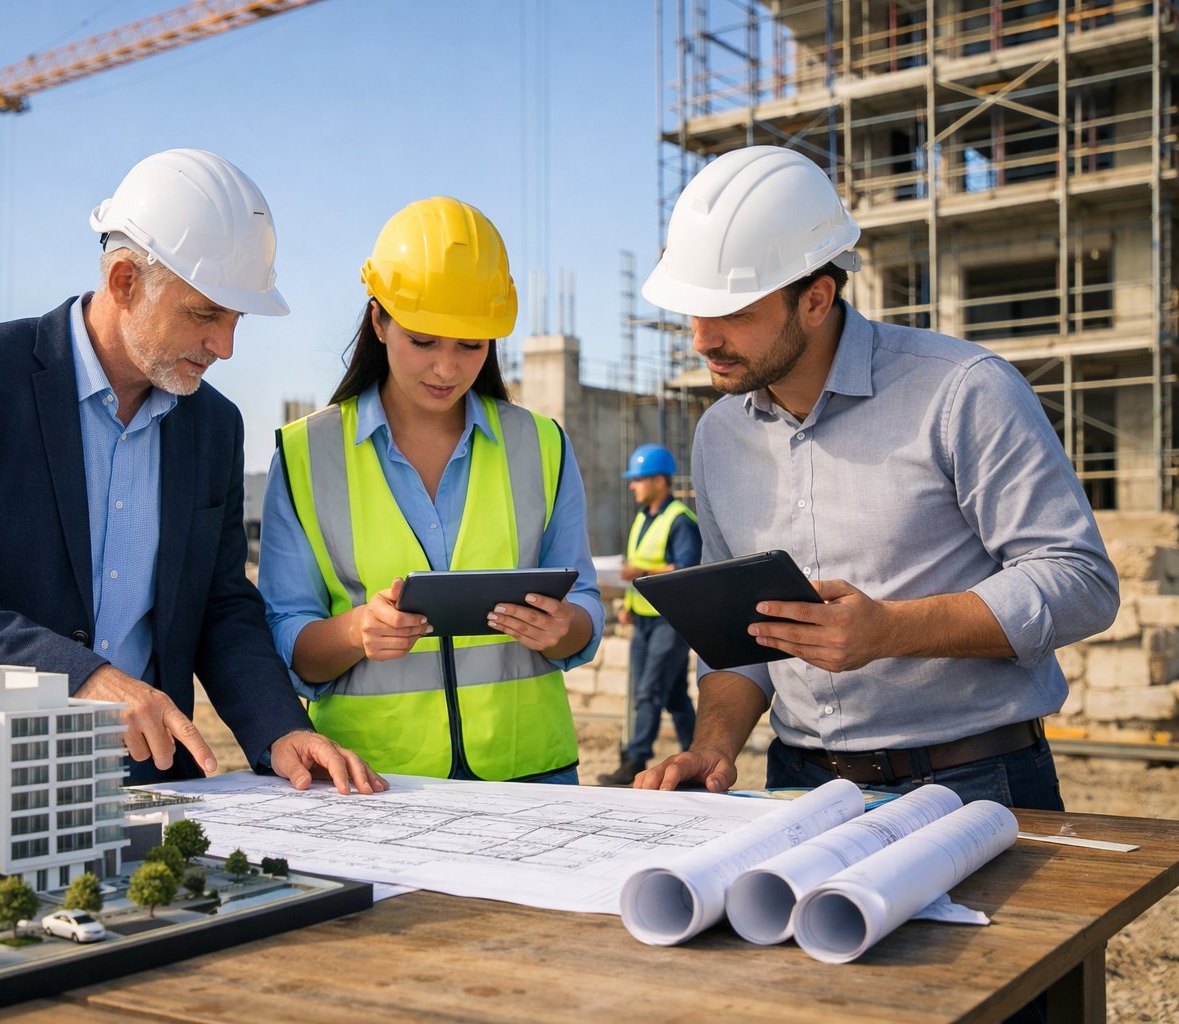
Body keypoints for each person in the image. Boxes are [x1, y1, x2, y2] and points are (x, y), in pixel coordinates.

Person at [0, 149, 383, 795]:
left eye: (235, 318)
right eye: (204, 314)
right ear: (125, 282)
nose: (225, 346)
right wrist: (80, 677)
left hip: (136, 779)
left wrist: (279, 729)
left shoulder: (213, 427)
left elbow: (220, 605)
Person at [633, 146, 1118, 810]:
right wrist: (713, 747)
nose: (702, 339)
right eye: (693, 311)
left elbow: (1080, 582)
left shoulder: (963, 391)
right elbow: (737, 638)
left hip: (976, 784)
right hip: (798, 787)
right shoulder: (720, 434)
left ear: (816, 298)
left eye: (733, 312)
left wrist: (891, 629)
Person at [258, 196, 603, 784]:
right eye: (424, 341)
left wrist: (563, 626)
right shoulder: (305, 456)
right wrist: (354, 632)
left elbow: (586, 608)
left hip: (533, 778)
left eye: (471, 345)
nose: (447, 368)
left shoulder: (543, 445)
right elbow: (286, 638)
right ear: (379, 321)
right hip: (373, 783)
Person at [596, 443, 701, 785]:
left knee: (647, 691)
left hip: (671, 620)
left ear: (659, 480)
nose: (632, 486)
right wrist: (628, 605)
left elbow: (686, 570)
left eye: (638, 479)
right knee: (673, 695)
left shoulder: (681, 521)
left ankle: (634, 760)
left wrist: (641, 571)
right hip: (642, 618)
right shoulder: (642, 517)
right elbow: (635, 567)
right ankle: (696, 752)